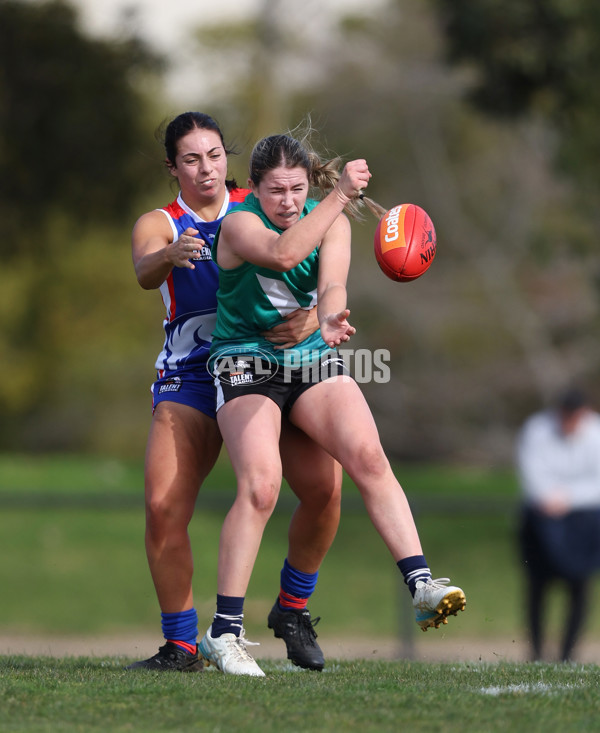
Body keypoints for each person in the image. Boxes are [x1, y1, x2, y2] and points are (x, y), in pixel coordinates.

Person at [198, 128, 466, 677]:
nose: (289, 201)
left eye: (297, 189)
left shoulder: (333, 221)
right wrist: (339, 195)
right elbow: (282, 253)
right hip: (245, 359)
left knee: (357, 466)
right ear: (252, 187)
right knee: (261, 484)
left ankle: (419, 583)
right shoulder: (240, 222)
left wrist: (329, 316)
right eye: (276, 190)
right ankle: (224, 632)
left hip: (309, 356)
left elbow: (334, 284)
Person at [127, 112, 343, 673]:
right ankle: (182, 645)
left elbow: (316, 253)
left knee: (325, 489)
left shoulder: (260, 203)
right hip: (194, 376)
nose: (207, 167)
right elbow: (144, 268)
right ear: (173, 166)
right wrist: (166, 257)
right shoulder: (162, 222)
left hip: (267, 365)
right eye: (192, 158)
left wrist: (317, 314)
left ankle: (292, 608)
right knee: (162, 505)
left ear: (229, 157)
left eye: (216, 154)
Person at [516, 387, 600, 662]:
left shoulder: (595, 434)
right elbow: (531, 471)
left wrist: (569, 498)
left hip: (583, 520)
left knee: (579, 587)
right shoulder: (537, 430)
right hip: (541, 518)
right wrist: (547, 497)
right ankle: (536, 653)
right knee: (537, 586)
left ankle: (567, 655)